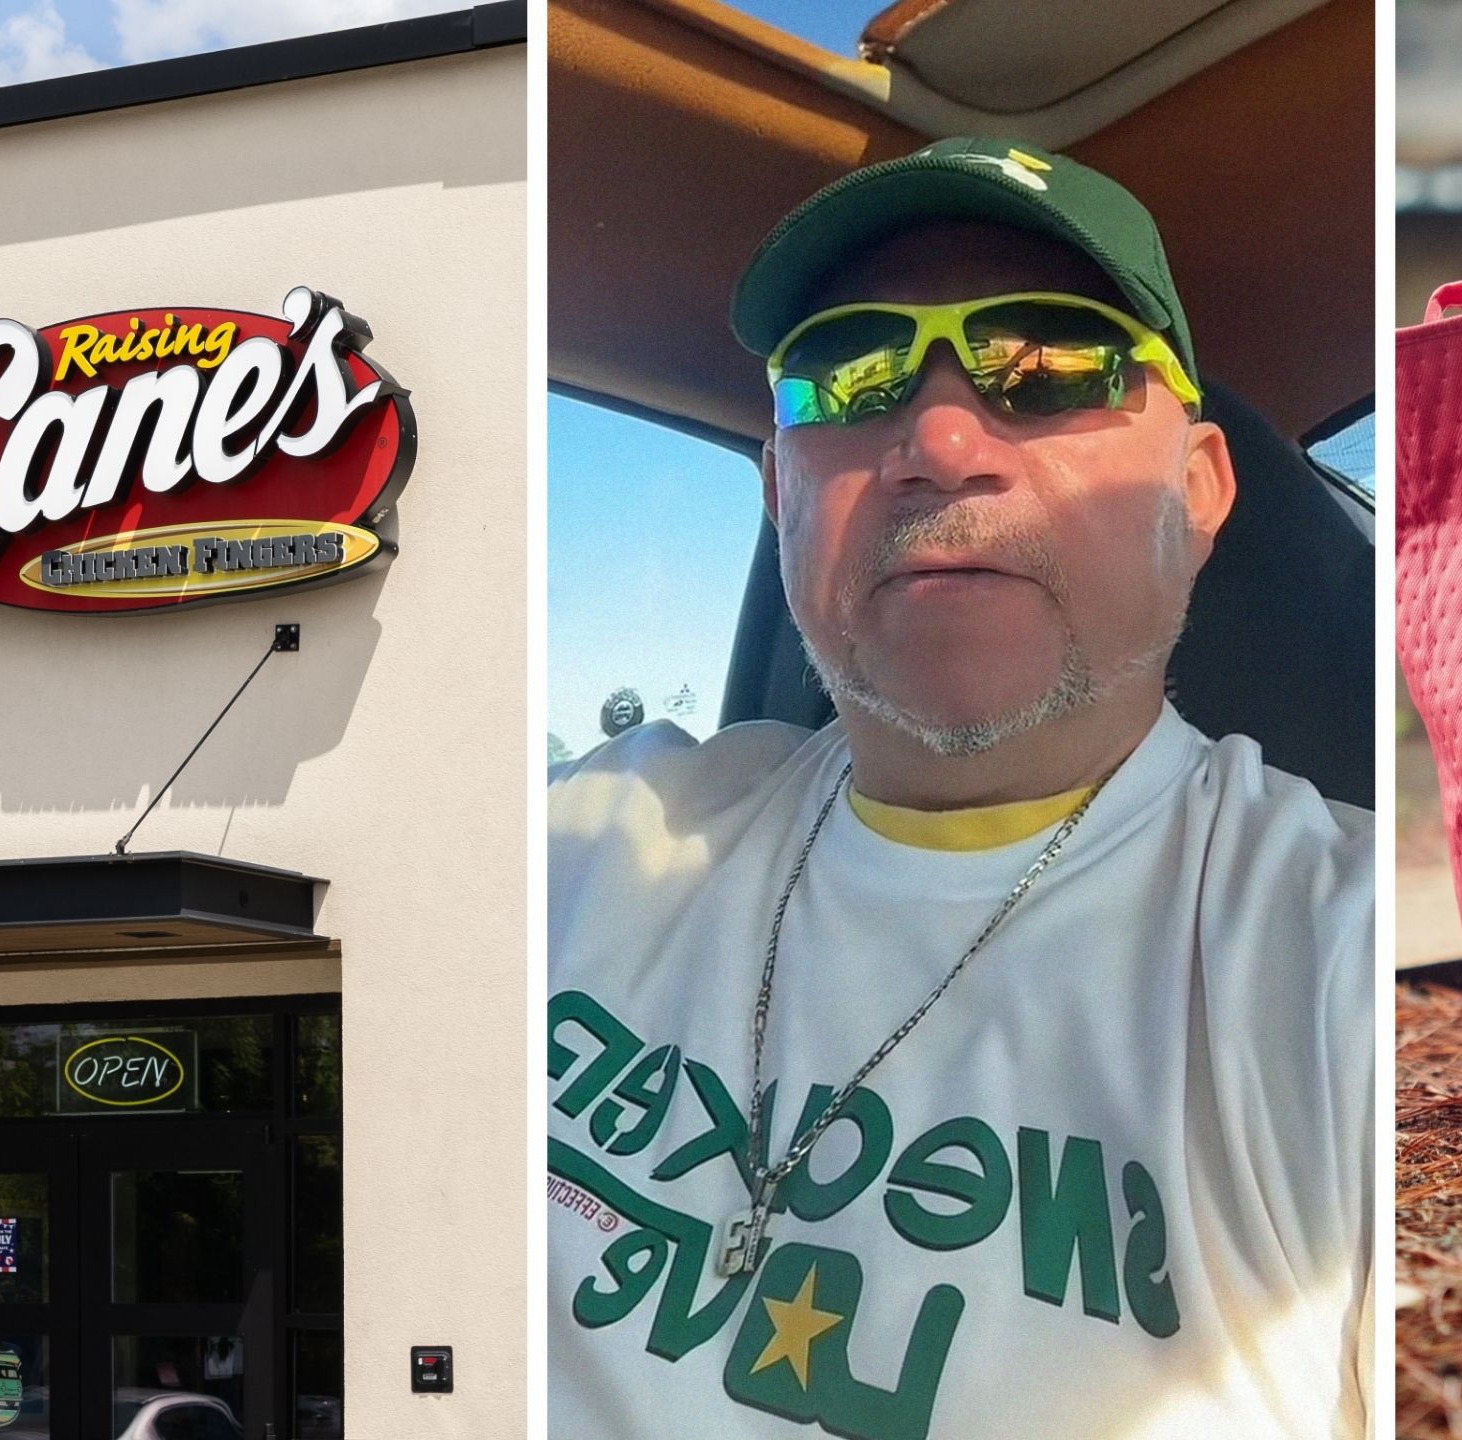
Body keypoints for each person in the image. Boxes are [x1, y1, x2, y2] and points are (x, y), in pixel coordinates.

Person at [546, 136, 1372, 1440]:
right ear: (779, 497)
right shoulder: (591, 835)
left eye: (1050, 363)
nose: (936, 439)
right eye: (847, 375)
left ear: (1202, 490)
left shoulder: (1340, 959)